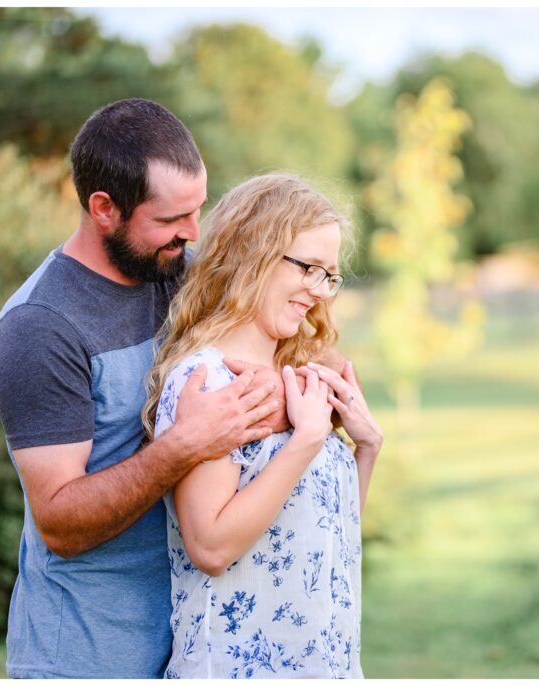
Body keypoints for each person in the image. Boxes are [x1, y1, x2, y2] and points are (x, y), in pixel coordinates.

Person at [0, 99, 295, 678]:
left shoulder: (182, 275)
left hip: (197, 642)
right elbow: (60, 524)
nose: (193, 233)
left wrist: (284, 395)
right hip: (89, 654)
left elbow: (274, 356)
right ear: (104, 208)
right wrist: (185, 445)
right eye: (172, 218)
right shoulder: (40, 328)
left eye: (197, 210)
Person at [142, 173, 382, 679]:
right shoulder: (207, 381)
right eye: (309, 268)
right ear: (252, 251)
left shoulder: (296, 378)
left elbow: (325, 536)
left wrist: (366, 449)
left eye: (330, 276)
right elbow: (209, 546)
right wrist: (307, 441)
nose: (319, 292)